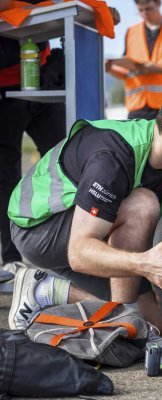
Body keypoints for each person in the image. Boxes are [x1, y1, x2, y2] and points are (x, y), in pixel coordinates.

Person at [7, 88, 162, 350]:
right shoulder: (112, 157)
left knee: (158, 322)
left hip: (90, 228)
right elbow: (80, 252)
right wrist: (143, 264)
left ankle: (47, 291)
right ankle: (119, 323)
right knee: (142, 205)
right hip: (38, 228)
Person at [0, 0, 66, 282]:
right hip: (5, 89)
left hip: (44, 79)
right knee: (6, 174)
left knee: (64, 165)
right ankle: (11, 259)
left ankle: (65, 252)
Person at [105, 0, 162, 120]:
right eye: (140, 10)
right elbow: (128, 75)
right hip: (136, 110)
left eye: (148, 9)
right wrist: (110, 69)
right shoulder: (131, 32)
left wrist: (158, 69)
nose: (144, 13)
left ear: (158, 3)